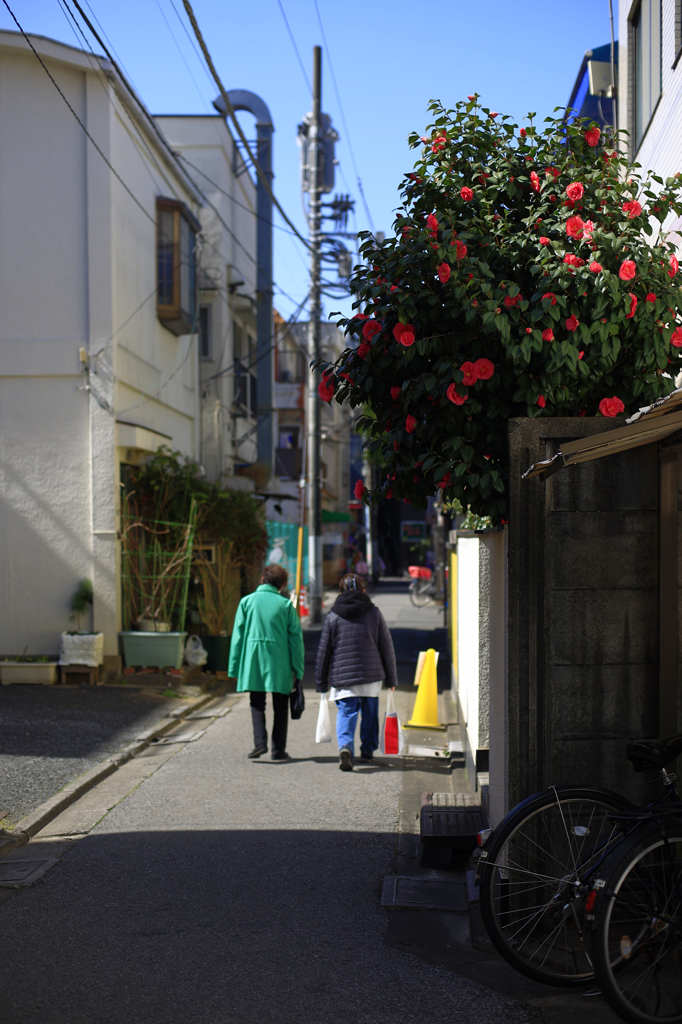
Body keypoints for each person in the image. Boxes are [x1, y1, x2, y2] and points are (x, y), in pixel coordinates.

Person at [315, 573, 397, 771]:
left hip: (343, 676)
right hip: (371, 676)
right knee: (369, 714)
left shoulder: (333, 615)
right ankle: (367, 751)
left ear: (341, 591)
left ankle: (345, 746)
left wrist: (321, 682)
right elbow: (386, 646)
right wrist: (391, 678)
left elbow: (324, 650)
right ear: (363, 590)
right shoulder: (374, 613)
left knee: (346, 713)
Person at [228, 563, 305, 760]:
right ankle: (278, 750)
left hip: (253, 659)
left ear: (262, 579)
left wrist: (234, 668)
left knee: (256, 702)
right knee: (281, 705)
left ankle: (259, 743)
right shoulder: (286, 605)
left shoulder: (246, 602)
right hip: (280, 660)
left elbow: (237, 638)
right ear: (282, 585)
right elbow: (296, 641)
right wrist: (298, 669)